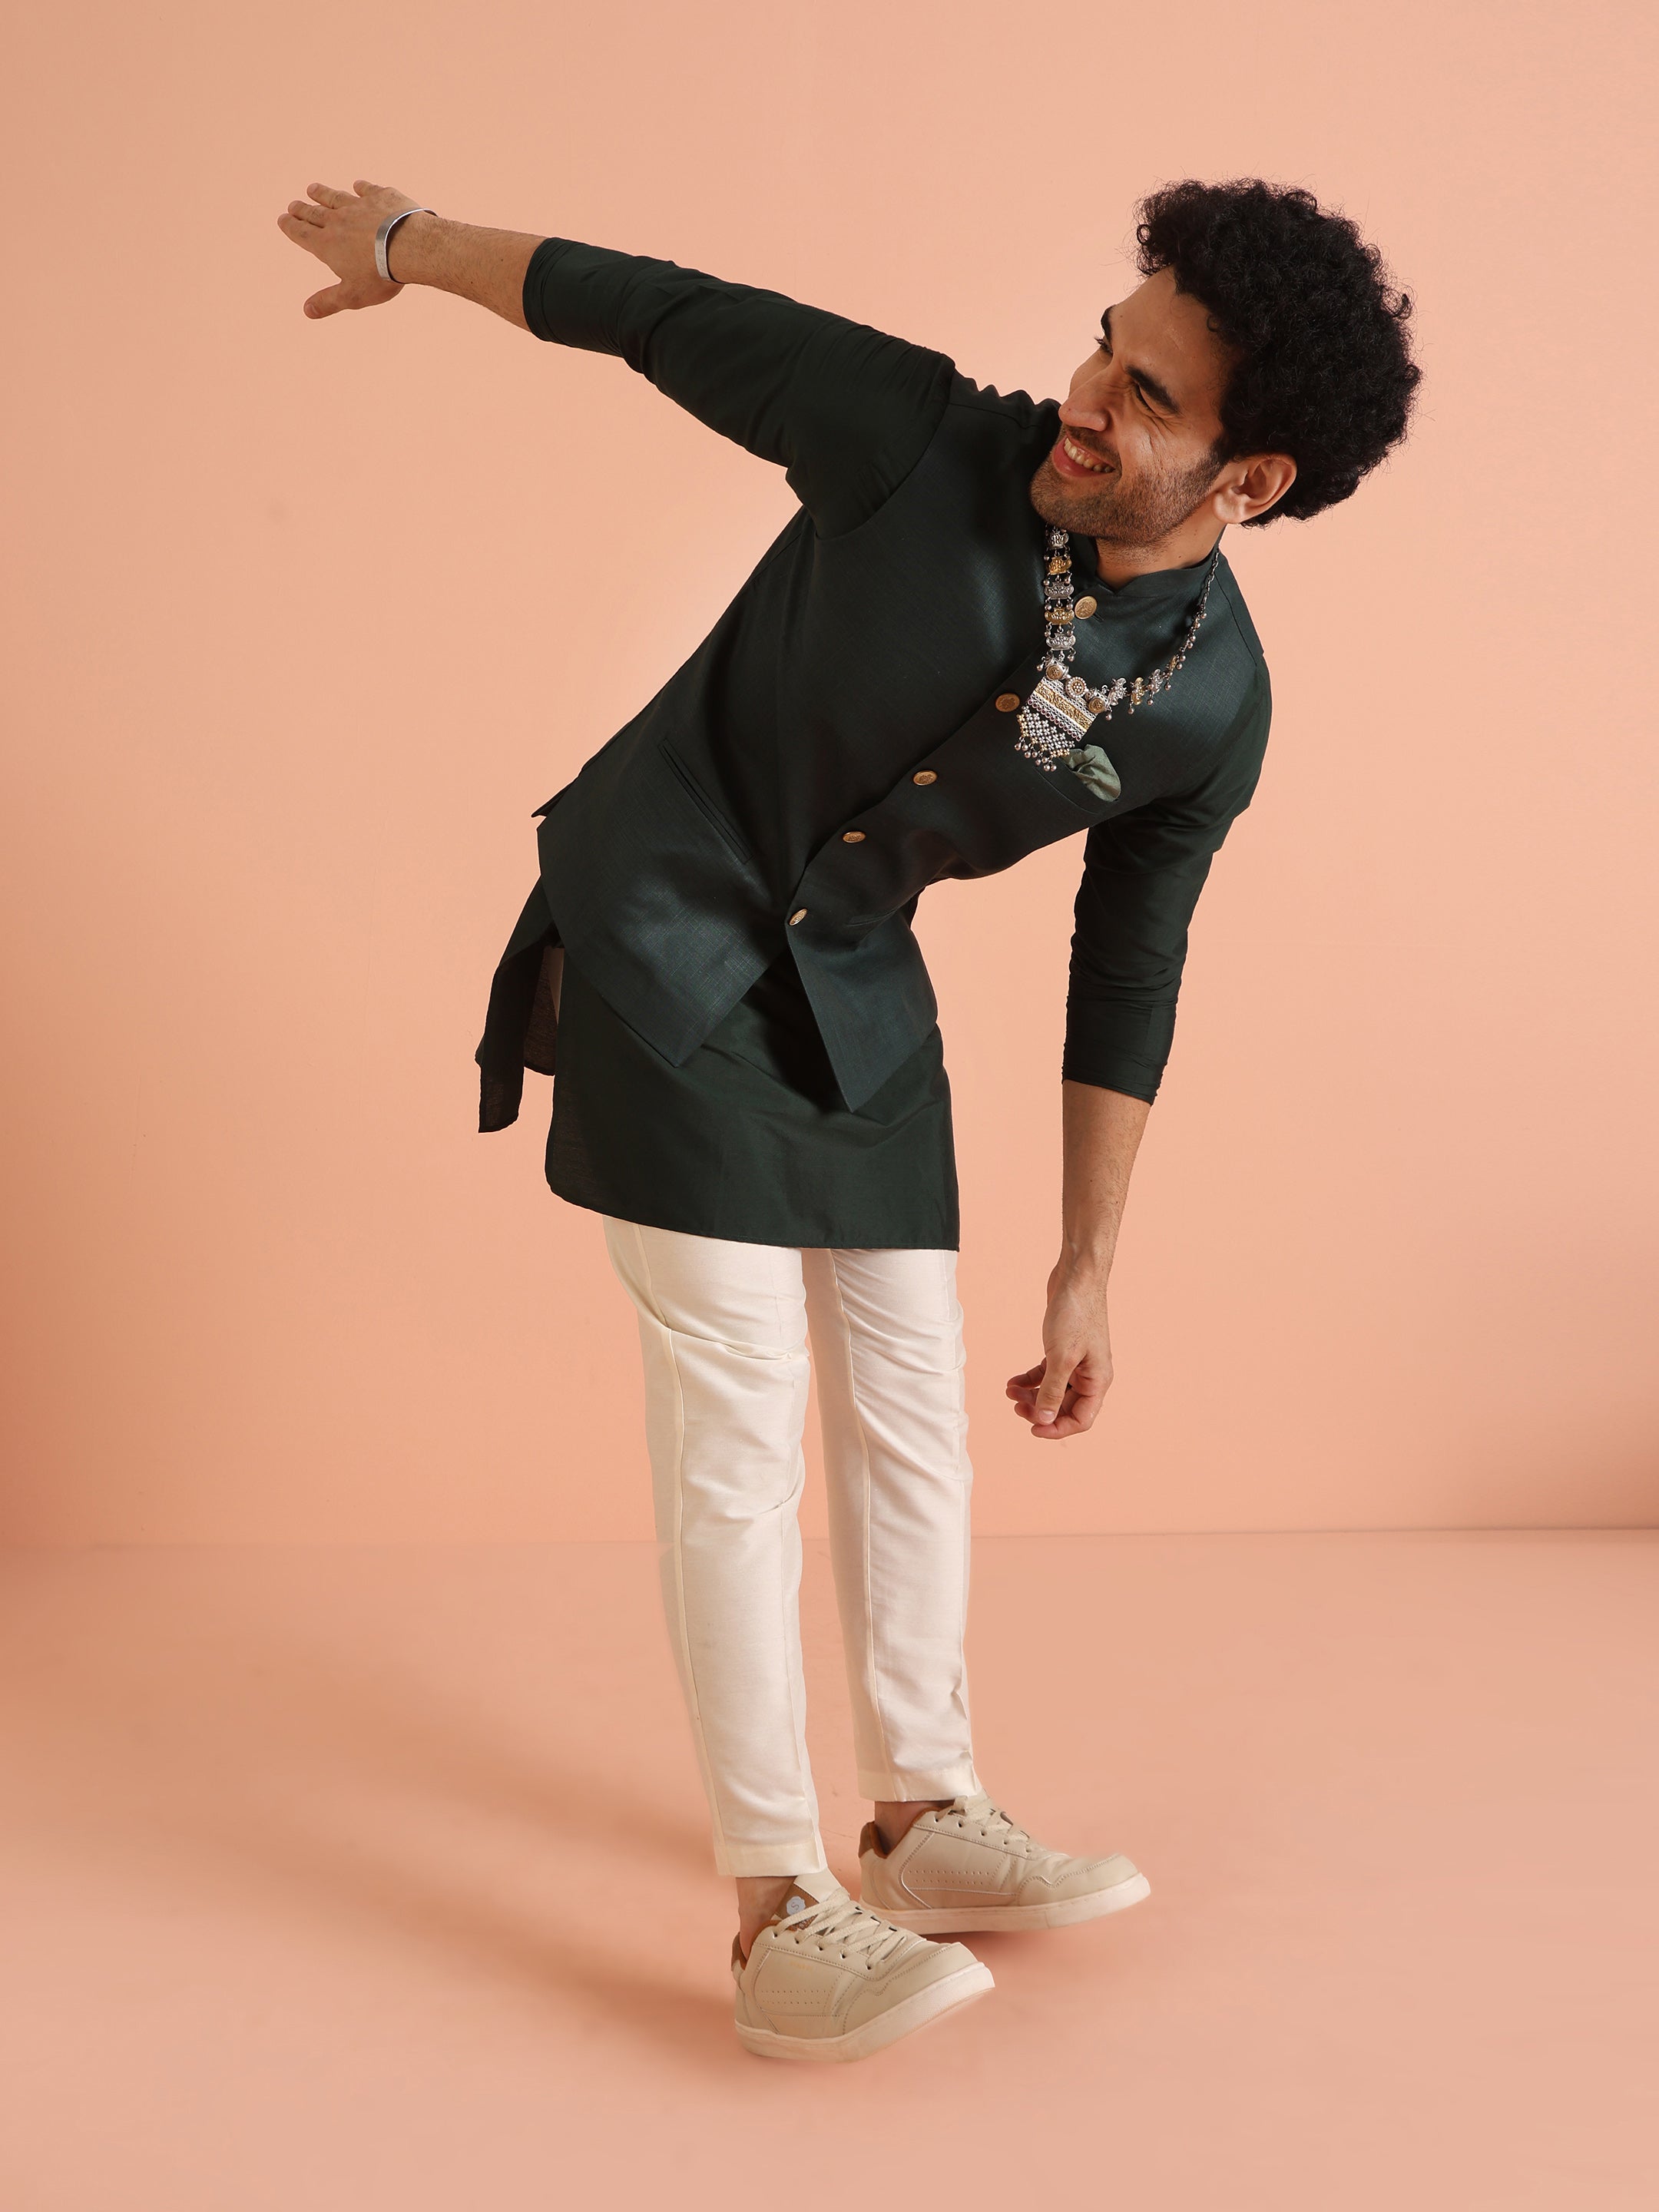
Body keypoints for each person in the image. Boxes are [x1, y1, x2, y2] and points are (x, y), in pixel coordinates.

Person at [277, 174, 1418, 2063]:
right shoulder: (914, 437)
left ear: (1255, 480)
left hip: (850, 978)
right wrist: (410, 247)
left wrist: (1088, 1262)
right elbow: (652, 305)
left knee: (910, 1397)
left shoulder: (1213, 700)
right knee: (740, 1419)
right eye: (1105, 348)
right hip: (661, 919)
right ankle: (776, 1910)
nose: (1087, 397)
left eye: (1148, 398)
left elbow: (1130, 963)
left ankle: (923, 1816)